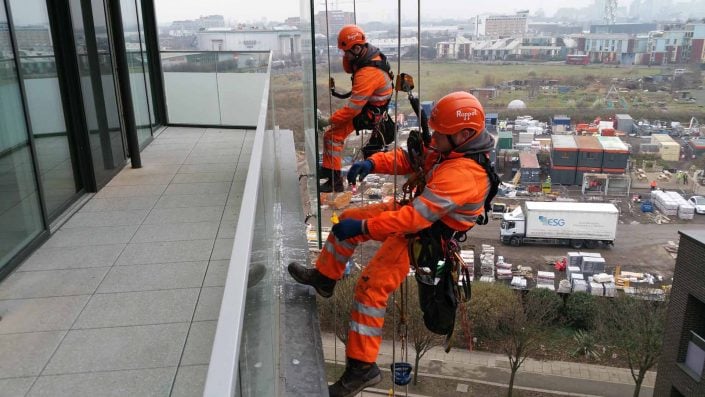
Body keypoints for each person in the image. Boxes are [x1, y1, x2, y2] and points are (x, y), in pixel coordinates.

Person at [289, 92, 494, 397]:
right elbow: (412, 158)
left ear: (464, 135)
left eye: (440, 133)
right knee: (350, 217)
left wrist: (364, 228)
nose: (434, 137)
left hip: (425, 234)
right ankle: (324, 278)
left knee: (371, 286)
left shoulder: (465, 175)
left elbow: (413, 220)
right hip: (415, 216)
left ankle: (362, 368)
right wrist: (373, 162)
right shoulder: (450, 148)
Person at [319, 24, 394, 193]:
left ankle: (334, 181)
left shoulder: (367, 73)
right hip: (371, 107)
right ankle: (329, 169)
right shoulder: (370, 56)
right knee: (331, 135)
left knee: (332, 136)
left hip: (369, 113)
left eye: (347, 52)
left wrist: (328, 120)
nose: (345, 56)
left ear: (358, 48)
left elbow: (352, 109)